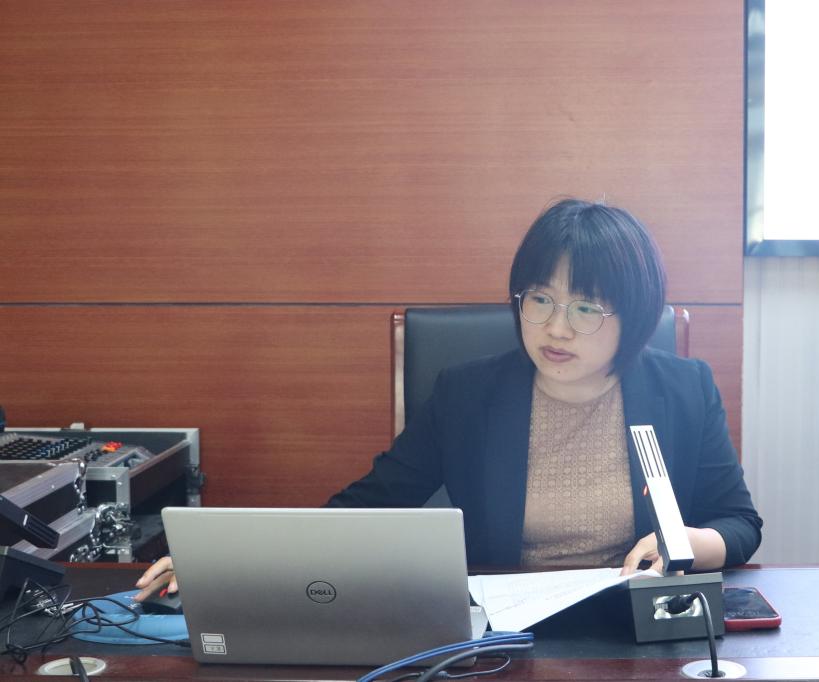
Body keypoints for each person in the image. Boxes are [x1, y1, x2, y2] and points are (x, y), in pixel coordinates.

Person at [135, 198, 761, 601]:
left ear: (636, 315)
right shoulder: (469, 397)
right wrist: (229, 565)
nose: (556, 328)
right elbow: (367, 508)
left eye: (585, 308)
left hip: (637, 626)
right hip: (504, 633)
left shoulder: (684, 390)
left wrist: (685, 542)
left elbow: (738, 522)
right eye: (540, 299)